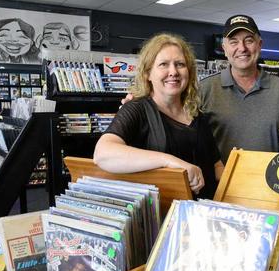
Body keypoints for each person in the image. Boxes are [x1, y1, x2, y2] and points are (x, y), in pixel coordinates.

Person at [122, 15, 279, 163]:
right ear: (224, 48)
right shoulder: (204, 89)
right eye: (233, 42)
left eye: (249, 40)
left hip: (266, 187)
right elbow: (168, 110)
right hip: (216, 189)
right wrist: (138, 103)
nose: (242, 48)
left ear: (260, 45)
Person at [94, 33, 223, 198]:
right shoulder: (136, 109)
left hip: (202, 215)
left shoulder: (197, 115)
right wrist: (169, 161)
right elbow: (103, 154)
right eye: (163, 64)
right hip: (160, 217)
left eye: (180, 64)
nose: (173, 72)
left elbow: (215, 166)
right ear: (148, 73)